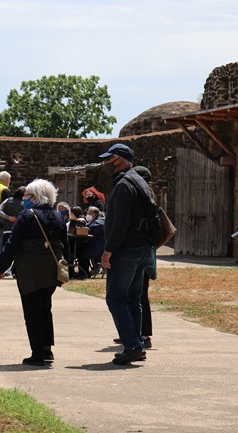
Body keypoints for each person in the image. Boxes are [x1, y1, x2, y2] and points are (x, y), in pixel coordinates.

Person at [0, 179, 68, 367]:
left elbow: (12, 243)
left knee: (32, 311)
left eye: (27, 195)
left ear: (35, 198)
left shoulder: (27, 215)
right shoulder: (59, 216)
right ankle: (47, 349)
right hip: (52, 269)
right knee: (45, 308)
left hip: (30, 270)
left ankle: (37, 354)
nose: (24, 198)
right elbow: (65, 243)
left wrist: (1, 267)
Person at [99, 143, 154, 365]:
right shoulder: (139, 181)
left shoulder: (123, 185)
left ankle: (131, 345)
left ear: (119, 160)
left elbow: (119, 223)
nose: (105, 164)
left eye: (108, 159)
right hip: (142, 249)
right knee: (133, 298)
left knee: (115, 298)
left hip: (126, 250)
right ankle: (137, 343)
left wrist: (108, 250)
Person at [134, 165, 158, 349]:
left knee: (140, 294)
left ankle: (143, 334)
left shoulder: (143, 198)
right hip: (146, 251)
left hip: (140, 251)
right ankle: (136, 331)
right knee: (137, 294)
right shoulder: (148, 196)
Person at [0, 186, 26, 277]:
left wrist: (8, 217)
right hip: (19, 230)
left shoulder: (7, 200)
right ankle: (14, 271)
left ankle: (5, 269)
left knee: (6, 250)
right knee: (18, 251)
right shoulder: (24, 203)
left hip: (7, 229)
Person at [81, 206, 105, 278]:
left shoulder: (100, 222)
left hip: (98, 247)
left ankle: (84, 272)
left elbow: (91, 229)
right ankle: (92, 268)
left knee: (81, 252)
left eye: (89, 213)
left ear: (94, 214)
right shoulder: (93, 221)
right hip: (96, 246)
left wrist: (84, 225)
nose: (87, 215)